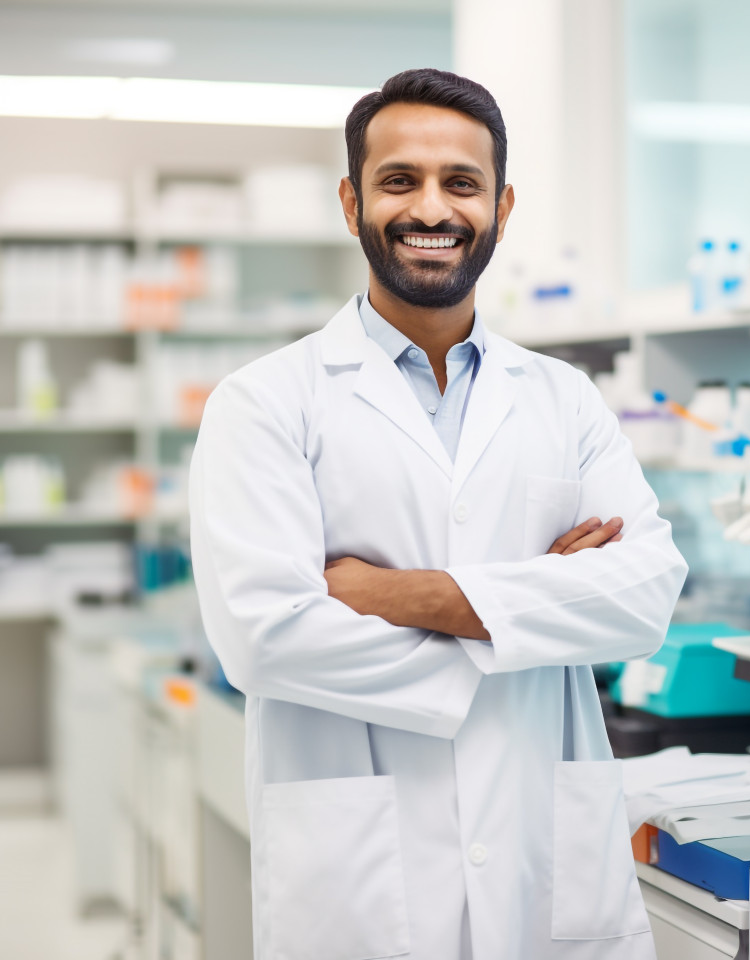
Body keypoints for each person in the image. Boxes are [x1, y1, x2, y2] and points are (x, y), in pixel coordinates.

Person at [190, 68, 687, 960]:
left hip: (544, 857)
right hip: (362, 879)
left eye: (461, 183)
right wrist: (536, 614)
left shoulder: (563, 399)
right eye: (399, 180)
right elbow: (264, 636)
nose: (433, 208)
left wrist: (397, 594)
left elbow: (644, 596)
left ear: (499, 204)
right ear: (352, 202)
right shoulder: (265, 403)